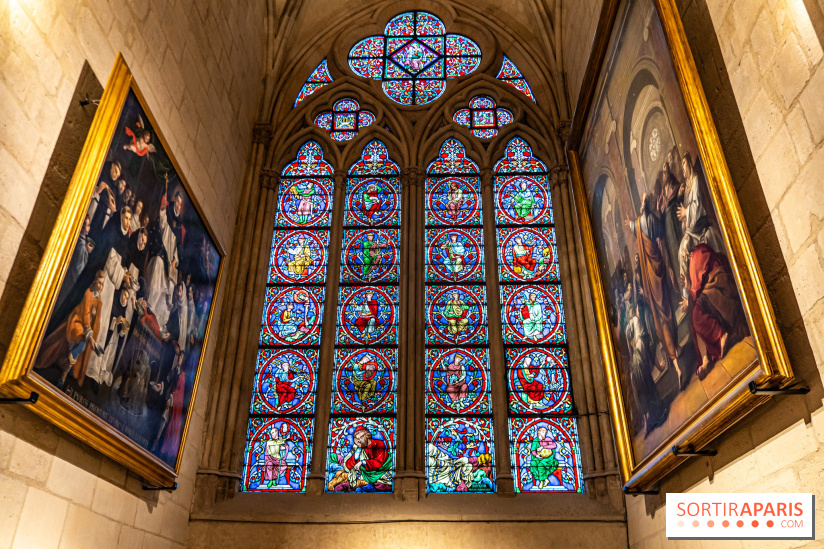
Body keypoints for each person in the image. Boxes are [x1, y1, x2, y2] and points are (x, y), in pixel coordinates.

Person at [625, 193, 680, 367]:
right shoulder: (650, 220)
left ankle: (671, 349)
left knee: (659, 313)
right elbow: (660, 229)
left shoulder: (639, 222)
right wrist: (660, 212)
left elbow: (635, 226)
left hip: (651, 273)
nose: (642, 205)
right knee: (666, 309)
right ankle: (674, 346)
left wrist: (630, 224)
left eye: (643, 202)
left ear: (644, 205)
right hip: (658, 269)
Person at [681, 243, 747, 379]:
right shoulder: (700, 251)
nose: (683, 256)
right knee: (695, 309)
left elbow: (696, 290)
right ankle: (706, 359)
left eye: (683, 254)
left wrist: (689, 290)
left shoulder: (695, 255)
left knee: (696, 313)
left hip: (720, 288)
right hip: (720, 287)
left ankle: (719, 336)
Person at [677, 152, 724, 297]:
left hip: (700, 227)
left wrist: (686, 212)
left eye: (684, 164)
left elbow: (697, 206)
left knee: (686, 247)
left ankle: (690, 292)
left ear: (689, 164)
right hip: (692, 230)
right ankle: (687, 294)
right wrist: (684, 220)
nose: (682, 168)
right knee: (682, 251)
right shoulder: (686, 188)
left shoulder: (696, 179)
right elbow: (687, 219)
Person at [626, 301, 667, 435]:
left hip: (635, 368)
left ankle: (647, 420)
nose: (639, 312)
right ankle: (651, 417)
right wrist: (660, 367)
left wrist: (659, 367)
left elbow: (640, 353)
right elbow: (649, 355)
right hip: (638, 366)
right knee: (647, 387)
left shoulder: (633, 330)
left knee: (641, 391)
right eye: (638, 310)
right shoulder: (639, 327)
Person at [63, 272, 105, 387]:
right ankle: (63, 376)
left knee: (82, 345)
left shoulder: (99, 300)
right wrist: (91, 339)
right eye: (99, 283)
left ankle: (70, 368)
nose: (100, 286)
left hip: (85, 327)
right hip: (77, 321)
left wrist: (92, 337)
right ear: (95, 281)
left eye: (102, 284)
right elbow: (86, 315)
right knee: (81, 345)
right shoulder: (89, 293)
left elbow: (95, 320)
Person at [328, 427, 393, 491]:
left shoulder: (378, 444)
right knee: (342, 475)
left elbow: (379, 463)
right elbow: (348, 465)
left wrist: (363, 462)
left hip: (380, 470)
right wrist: (356, 456)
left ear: (366, 436)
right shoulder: (359, 447)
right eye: (356, 440)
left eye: (360, 438)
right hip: (363, 473)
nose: (358, 441)